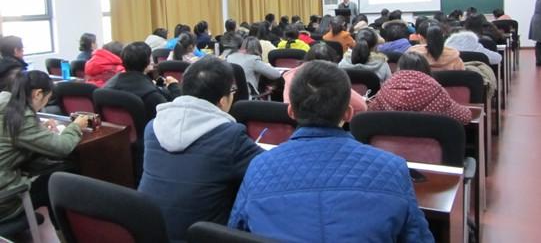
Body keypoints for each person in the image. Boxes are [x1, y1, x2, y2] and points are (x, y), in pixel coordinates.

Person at [228, 60, 434, 242]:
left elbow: (235, 231)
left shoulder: (258, 167)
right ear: (348, 113)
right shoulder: (393, 168)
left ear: (290, 111)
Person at [138, 56, 263, 243]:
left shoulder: (152, 128)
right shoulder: (230, 137)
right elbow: (269, 170)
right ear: (223, 101)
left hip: (151, 233)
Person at [0, 71, 88, 222]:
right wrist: (76, 126)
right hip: (6, 200)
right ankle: (64, 226)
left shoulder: (5, 103)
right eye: (47, 99)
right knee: (64, 174)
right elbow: (63, 147)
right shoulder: (21, 116)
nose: (45, 104)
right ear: (38, 94)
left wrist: (37, 128)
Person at [368, 52, 472, 124]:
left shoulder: (384, 91)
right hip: (431, 149)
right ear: (426, 71)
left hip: (388, 149)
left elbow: (368, 115)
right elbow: (465, 117)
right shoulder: (437, 92)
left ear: (399, 69)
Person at [282, 43, 367, 114]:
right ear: (333, 63)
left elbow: (288, 108)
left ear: (306, 60)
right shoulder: (335, 77)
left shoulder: (292, 76)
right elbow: (361, 107)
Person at [105, 42, 180, 120]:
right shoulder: (151, 95)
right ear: (148, 62)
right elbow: (174, 114)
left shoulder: (109, 85)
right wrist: (174, 86)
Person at [529, 0, 541, 66]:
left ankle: (538, 60)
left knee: (539, 42)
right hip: (539, 21)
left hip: (536, 21)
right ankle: (539, 60)